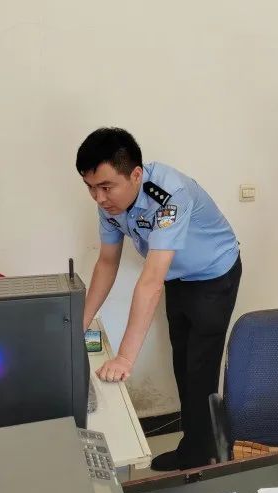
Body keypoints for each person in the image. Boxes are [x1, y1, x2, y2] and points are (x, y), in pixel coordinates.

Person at [76, 127, 241, 471]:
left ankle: (201, 456)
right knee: (182, 359)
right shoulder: (109, 204)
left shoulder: (169, 194)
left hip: (214, 274)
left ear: (135, 175)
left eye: (106, 187)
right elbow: (107, 262)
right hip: (177, 276)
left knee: (200, 367)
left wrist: (125, 357)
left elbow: (150, 282)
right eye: (91, 187)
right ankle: (197, 445)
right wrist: (80, 322)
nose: (99, 198)